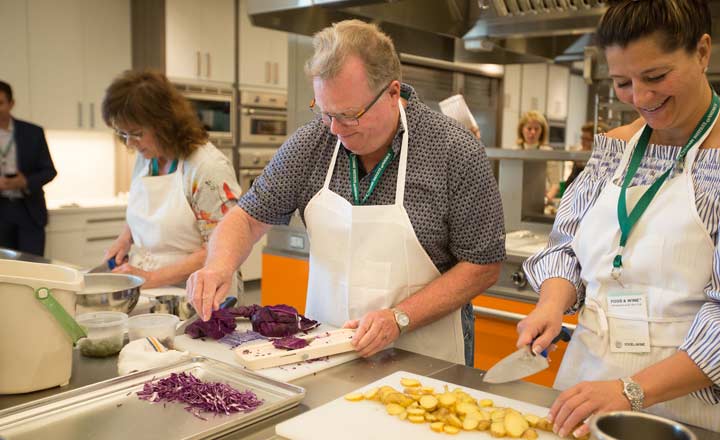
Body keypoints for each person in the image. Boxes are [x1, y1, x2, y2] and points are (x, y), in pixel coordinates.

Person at [187, 20, 505, 366]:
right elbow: (246, 218)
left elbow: (483, 264)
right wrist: (218, 266)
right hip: (326, 349)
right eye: (326, 113)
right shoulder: (311, 144)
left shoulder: (453, 151)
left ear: (392, 93)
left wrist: (399, 318)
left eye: (349, 115)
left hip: (427, 355)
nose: (336, 129)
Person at [519, 0, 720, 437]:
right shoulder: (613, 148)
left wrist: (630, 390)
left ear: (702, 52)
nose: (640, 99)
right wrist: (550, 305)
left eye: (656, 77)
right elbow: (566, 247)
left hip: (697, 407)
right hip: (587, 386)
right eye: (623, 82)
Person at [102, 70, 242, 295]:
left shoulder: (207, 168)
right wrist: (124, 238)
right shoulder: (146, 158)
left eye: (136, 133)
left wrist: (153, 278)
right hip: (151, 288)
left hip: (199, 293)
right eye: (123, 133)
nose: (130, 144)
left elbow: (225, 248)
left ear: (164, 124)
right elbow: (147, 211)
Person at [0, 80, 57, 256]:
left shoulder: (33, 133)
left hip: (29, 211)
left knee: (34, 268)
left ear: (11, 104)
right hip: (1, 211)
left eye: (0, 103)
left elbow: (49, 171)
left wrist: (25, 182)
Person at [544, 121, 609, 201]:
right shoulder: (580, 159)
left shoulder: (603, 163)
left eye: (586, 139)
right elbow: (569, 185)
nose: (582, 142)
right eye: (582, 138)